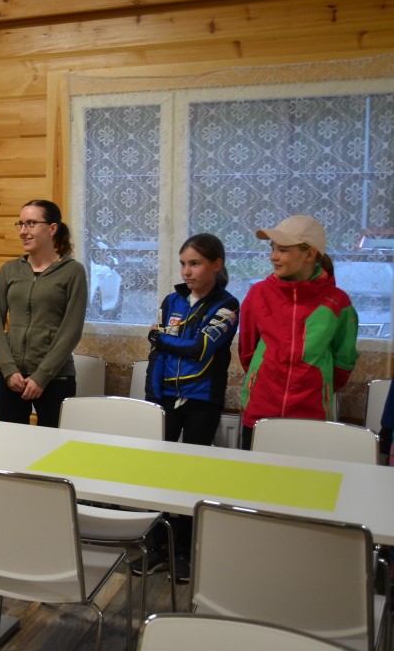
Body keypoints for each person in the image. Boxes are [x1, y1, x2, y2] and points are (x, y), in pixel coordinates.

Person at [136, 233, 239, 583]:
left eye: (195, 263)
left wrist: (159, 336)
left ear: (216, 265)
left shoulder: (227, 305)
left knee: (193, 475)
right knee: (158, 471)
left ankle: (184, 550)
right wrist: (153, 396)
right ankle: (156, 544)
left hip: (202, 400)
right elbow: (159, 354)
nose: (187, 271)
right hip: (165, 397)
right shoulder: (172, 300)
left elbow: (200, 348)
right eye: (183, 264)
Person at [238, 215, 359, 449]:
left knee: (304, 473)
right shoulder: (258, 294)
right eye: (273, 248)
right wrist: (261, 380)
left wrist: (318, 386)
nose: (273, 256)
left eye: (283, 250)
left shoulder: (337, 301)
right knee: (255, 471)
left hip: (311, 414)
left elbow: (344, 360)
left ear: (310, 254)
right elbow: (247, 351)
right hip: (260, 410)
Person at [0, 199, 87, 427]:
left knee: (52, 445)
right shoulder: (9, 270)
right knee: (9, 442)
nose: (23, 231)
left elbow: (71, 330)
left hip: (55, 377)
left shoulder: (73, 271)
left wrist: (42, 376)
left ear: (52, 228)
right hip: (12, 378)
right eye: (20, 224)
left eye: (31, 223)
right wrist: (8, 370)